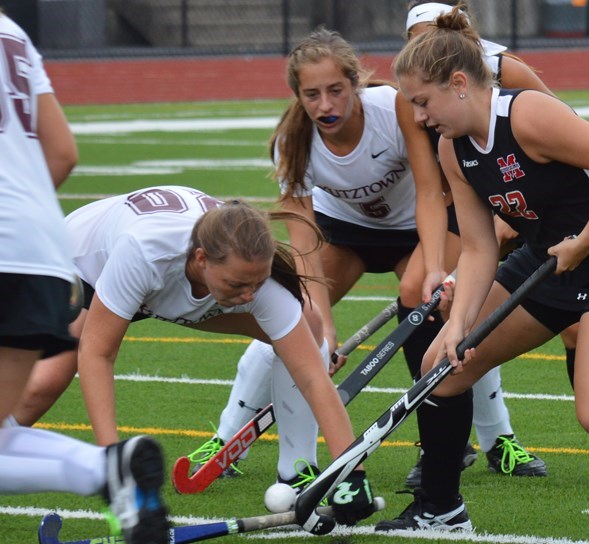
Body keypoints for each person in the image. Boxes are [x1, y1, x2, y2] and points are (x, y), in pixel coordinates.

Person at [186, 25, 545, 489]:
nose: (326, 105)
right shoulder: (292, 144)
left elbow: (428, 191)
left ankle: (494, 441)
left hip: (421, 221)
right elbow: (303, 241)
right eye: (312, 95)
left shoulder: (392, 108)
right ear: (297, 95)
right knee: (293, 316)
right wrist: (324, 325)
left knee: (439, 301)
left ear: (355, 83)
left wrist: (434, 268)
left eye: (336, 90)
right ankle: (225, 439)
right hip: (349, 232)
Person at [379, 9, 589, 532]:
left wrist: (585, 241)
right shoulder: (454, 149)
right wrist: (458, 326)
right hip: (546, 261)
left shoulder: (527, 114)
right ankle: (440, 509)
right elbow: (476, 249)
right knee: (442, 368)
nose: (422, 118)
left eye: (423, 102)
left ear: (458, 84)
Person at [21, 185, 378, 526]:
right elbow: (97, 354)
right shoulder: (144, 253)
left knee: (308, 325)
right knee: (45, 383)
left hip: (173, 285)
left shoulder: (250, 282)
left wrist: (351, 472)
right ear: (202, 258)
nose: (250, 295)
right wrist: (114, 464)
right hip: (81, 266)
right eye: (239, 285)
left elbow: (314, 378)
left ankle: (296, 471)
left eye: (257, 283)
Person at [0, 12, 170, 544]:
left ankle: (101, 471)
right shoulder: (12, 30)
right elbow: (62, 153)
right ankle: (108, 469)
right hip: (40, 250)